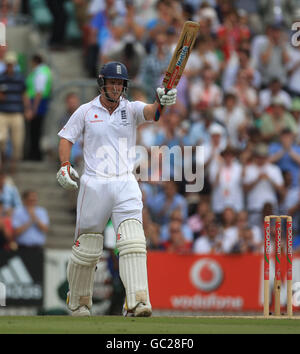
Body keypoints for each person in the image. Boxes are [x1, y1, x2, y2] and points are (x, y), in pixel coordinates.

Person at [56, 61, 177, 317]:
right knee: (87, 246)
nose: (116, 87)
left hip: (124, 181)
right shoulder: (86, 111)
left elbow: (153, 112)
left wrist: (163, 101)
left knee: (134, 240)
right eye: (112, 82)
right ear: (102, 83)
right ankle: (78, 301)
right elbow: (66, 138)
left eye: (120, 83)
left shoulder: (130, 109)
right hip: (94, 182)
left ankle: (137, 301)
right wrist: (65, 165)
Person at [0, 51, 31, 174]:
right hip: (2, 112)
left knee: (17, 142)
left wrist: (28, 108)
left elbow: (25, 94)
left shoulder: (20, 78)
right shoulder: (1, 77)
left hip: (17, 112)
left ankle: (13, 165)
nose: (10, 66)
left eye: (12, 64)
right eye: (8, 64)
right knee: (1, 139)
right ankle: (3, 163)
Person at [25, 54, 52, 161]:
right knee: (35, 130)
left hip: (37, 104)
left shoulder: (40, 73)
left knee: (35, 130)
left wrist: (33, 108)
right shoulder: (45, 71)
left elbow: (39, 92)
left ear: (34, 61)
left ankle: (34, 155)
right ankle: (34, 154)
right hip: (39, 103)